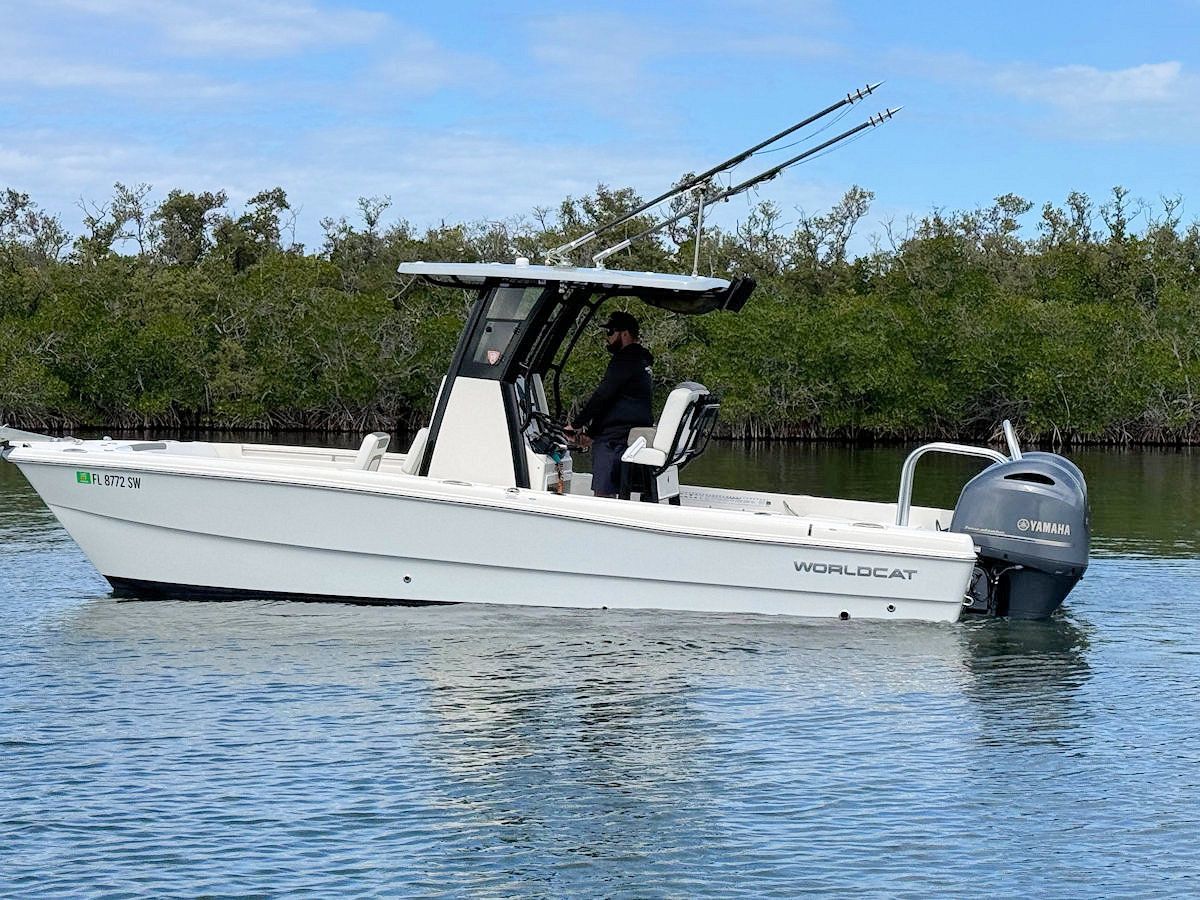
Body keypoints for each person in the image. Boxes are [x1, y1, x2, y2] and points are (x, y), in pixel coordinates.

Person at [566, 310, 653, 498]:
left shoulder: (625, 359)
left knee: (603, 491)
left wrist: (575, 424)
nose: (607, 338)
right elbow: (613, 400)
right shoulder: (642, 359)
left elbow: (602, 396)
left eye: (610, 332)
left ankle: (602, 514)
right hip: (631, 433)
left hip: (616, 438)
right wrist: (591, 433)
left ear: (625, 334)